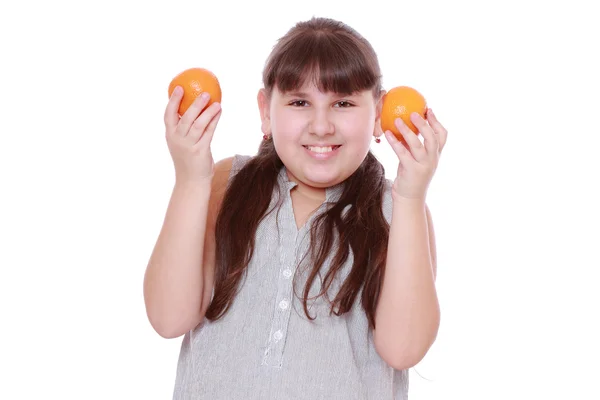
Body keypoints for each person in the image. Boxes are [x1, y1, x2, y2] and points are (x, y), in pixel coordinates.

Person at [143, 16, 448, 400]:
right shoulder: (225, 183)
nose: (321, 126)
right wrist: (190, 179)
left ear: (379, 113)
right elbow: (168, 318)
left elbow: (404, 348)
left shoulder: (397, 210)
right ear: (266, 110)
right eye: (300, 102)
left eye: (343, 102)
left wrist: (410, 197)